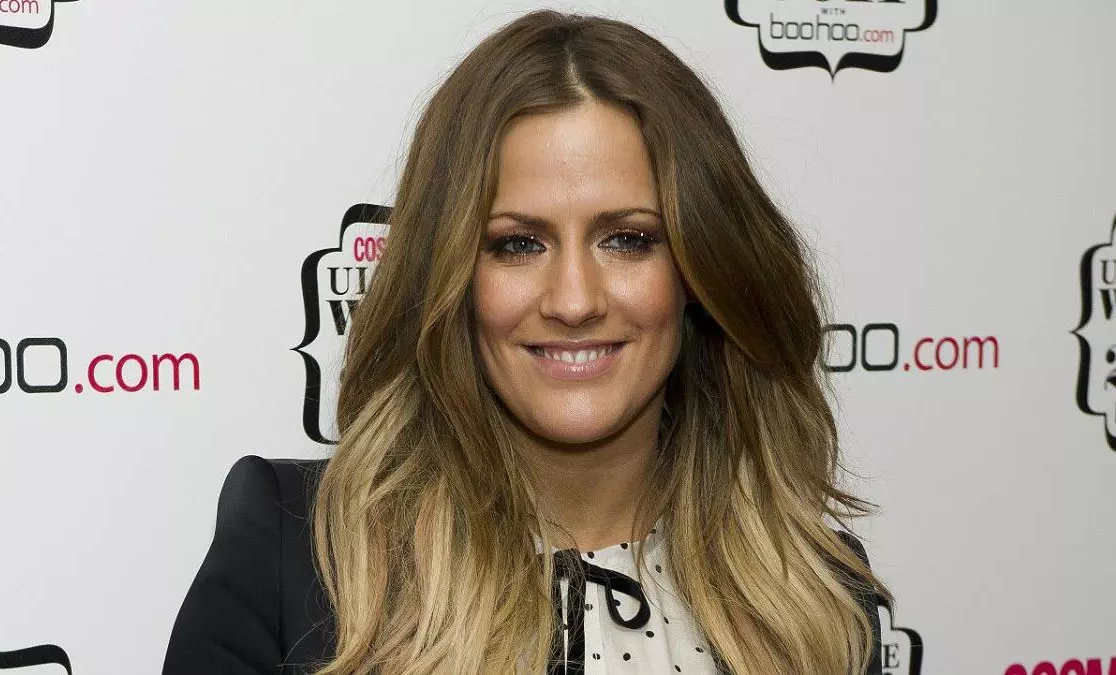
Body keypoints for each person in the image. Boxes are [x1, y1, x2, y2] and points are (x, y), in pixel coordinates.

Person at [163, 9, 891, 675]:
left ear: (700, 271)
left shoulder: (815, 594)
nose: (574, 300)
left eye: (627, 239)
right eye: (518, 244)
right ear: (450, 273)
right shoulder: (297, 554)